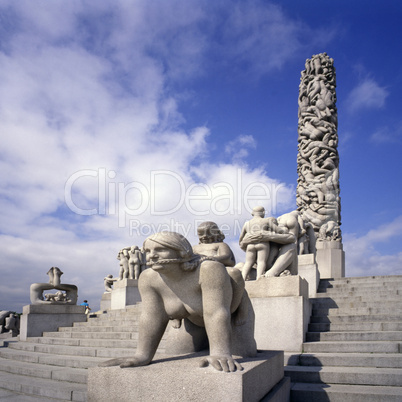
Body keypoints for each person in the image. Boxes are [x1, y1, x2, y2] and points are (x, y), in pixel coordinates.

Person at [99, 231, 256, 372]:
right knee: (176, 351)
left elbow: (216, 312)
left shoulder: (208, 269)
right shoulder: (148, 278)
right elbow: (151, 317)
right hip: (191, 320)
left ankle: (241, 309)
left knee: (242, 355)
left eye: (160, 250)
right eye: (148, 251)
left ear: (182, 253)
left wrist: (219, 352)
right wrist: (142, 355)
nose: (151, 255)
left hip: (233, 318)